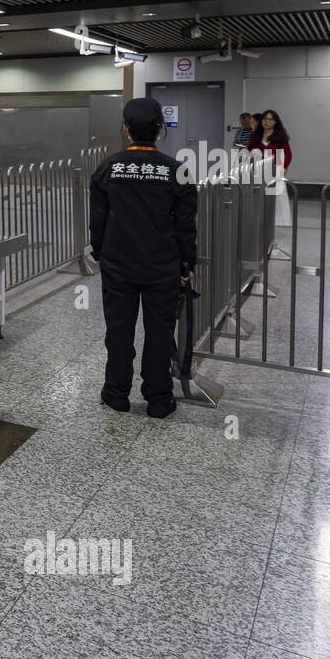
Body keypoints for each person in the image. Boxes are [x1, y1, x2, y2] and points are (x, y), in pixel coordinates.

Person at [89, 97, 198, 419]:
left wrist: (99, 253)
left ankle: (116, 393)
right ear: (160, 130)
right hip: (162, 266)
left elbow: (98, 219)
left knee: (118, 330)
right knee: (160, 332)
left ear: (125, 130)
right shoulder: (176, 171)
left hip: (118, 264)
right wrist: (187, 264)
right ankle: (159, 398)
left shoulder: (109, 167)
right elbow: (185, 226)